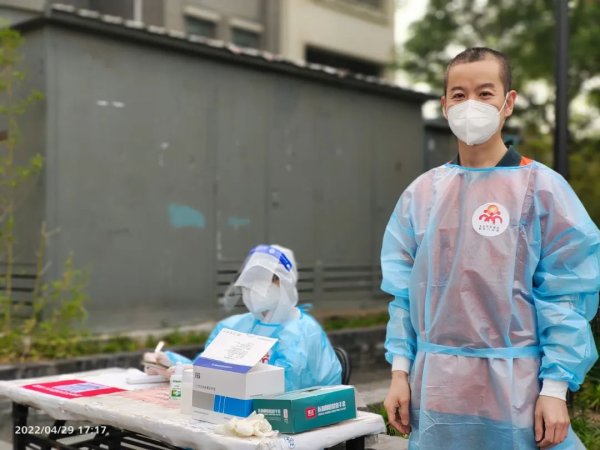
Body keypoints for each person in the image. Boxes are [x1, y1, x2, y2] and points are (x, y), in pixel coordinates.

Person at [381, 47, 600, 450]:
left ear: (508, 102)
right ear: (445, 105)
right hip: (437, 390)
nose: (471, 105)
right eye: (459, 95)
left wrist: (554, 389)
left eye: (485, 93)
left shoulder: (542, 190)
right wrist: (399, 373)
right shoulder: (423, 195)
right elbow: (403, 296)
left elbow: (566, 296)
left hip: (518, 390)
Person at [145, 244, 342, 392]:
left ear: (285, 283)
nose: (253, 287)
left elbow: (284, 388)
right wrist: (170, 363)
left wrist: (208, 375)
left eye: (264, 279)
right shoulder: (234, 326)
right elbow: (205, 365)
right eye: (250, 279)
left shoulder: (303, 333)